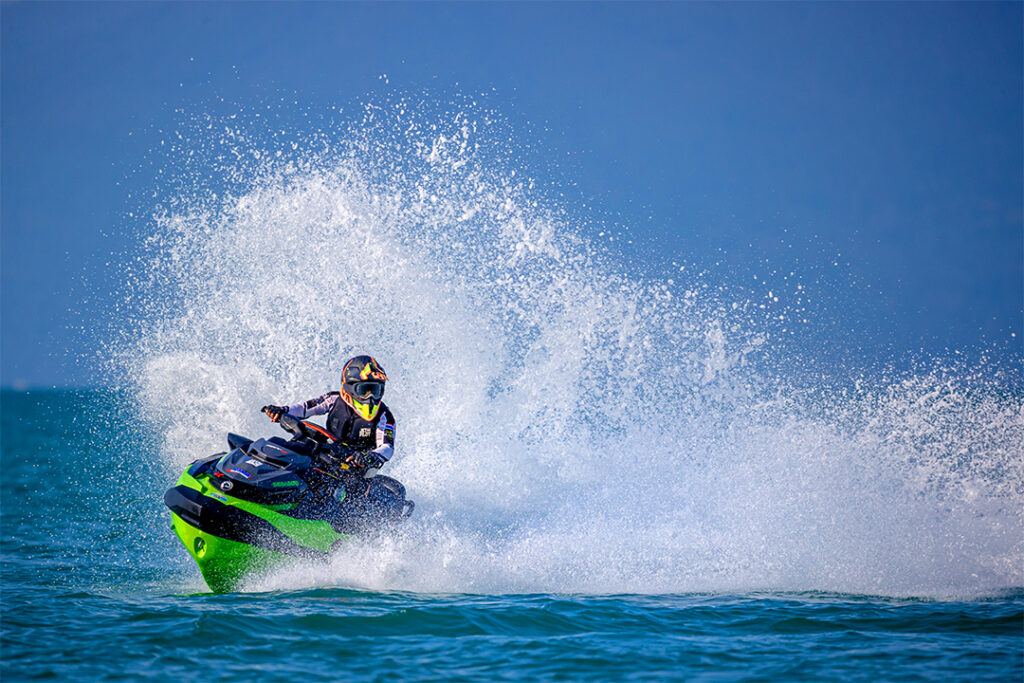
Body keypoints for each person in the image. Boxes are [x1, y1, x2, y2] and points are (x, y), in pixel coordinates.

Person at [261, 355, 395, 477]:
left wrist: (368, 456)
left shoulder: (384, 416)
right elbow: (304, 408)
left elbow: (387, 448)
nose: (370, 397)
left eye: (376, 391)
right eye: (365, 390)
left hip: (353, 469)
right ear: (349, 386)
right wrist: (282, 410)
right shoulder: (334, 399)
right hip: (324, 452)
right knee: (282, 444)